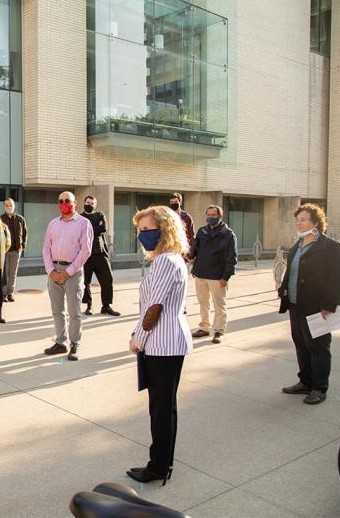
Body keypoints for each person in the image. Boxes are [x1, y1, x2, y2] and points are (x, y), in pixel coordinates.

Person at [127, 205, 192, 485]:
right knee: (164, 407)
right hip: (165, 342)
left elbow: (154, 308)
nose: (142, 235)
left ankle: (158, 467)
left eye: (147, 230)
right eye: (139, 230)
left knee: (161, 409)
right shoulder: (172, 259)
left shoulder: (166, 262)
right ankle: (162, 463)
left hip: (162, 344)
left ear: (164, 229)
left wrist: (137, 339)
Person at [278, 203, 340, 405]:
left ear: (316, 222)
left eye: (303, 220)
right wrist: (283, 290)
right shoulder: (296, 245)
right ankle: (305, 381)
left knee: (319, 347)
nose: (299, 223)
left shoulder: (330, 246)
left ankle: (319, 388)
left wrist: (329, 305)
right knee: (301, 344)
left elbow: (336, 278)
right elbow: (291, 272)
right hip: (296, 304)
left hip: (318, 307)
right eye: (297, 220)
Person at [42, 192, 93, 361]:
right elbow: (46, 249)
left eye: (68, 201)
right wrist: (51, 271)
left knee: (74, 312)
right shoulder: (52, 224)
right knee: (57, 310)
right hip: (54, 271)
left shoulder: (84, 224)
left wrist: (68, 272)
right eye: (61, 201)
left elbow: (85, 251)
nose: (64, 203)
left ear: (75, 203)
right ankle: (60, 342)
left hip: (73, 272)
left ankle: (74, 344)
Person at [189, 205, 237, 344]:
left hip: (217, 276)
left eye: (213, 215)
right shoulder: (202, 231)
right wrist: (191, 256)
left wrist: (225, 277)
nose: (210, 217)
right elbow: (195, 248)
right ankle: (204, 327)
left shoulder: (228, 234)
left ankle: (218, 331)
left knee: (219, 305)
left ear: (220, 216)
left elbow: (231, 257)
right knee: (203, 303)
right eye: (208, 214)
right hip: (200, 274)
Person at [80, 195, 120, 316]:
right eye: (88, 202)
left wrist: (91, 229)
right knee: (85, 282)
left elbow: (104, 228)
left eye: (92, 203)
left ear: (95, 205)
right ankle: (89, 306)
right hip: (86, 254)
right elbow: (83, 232)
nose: (89, 204)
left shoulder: (100, 215)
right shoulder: (80, 218)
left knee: (107, 279)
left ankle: (106, 306)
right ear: (84, 203)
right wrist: (96, 227)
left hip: (101, 252)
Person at [0, 198, 27, 302]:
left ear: (14, 206)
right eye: (6, 205)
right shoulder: (0, 219)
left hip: (16, 250)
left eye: (10, 205)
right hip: (5, 251)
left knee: (13, 273)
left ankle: (10, 293)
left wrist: (22, 246)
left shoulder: (20, 219)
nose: (8, 207)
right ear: (4, 207)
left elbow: (25, 233)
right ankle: (3, 294)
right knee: (5, 273)